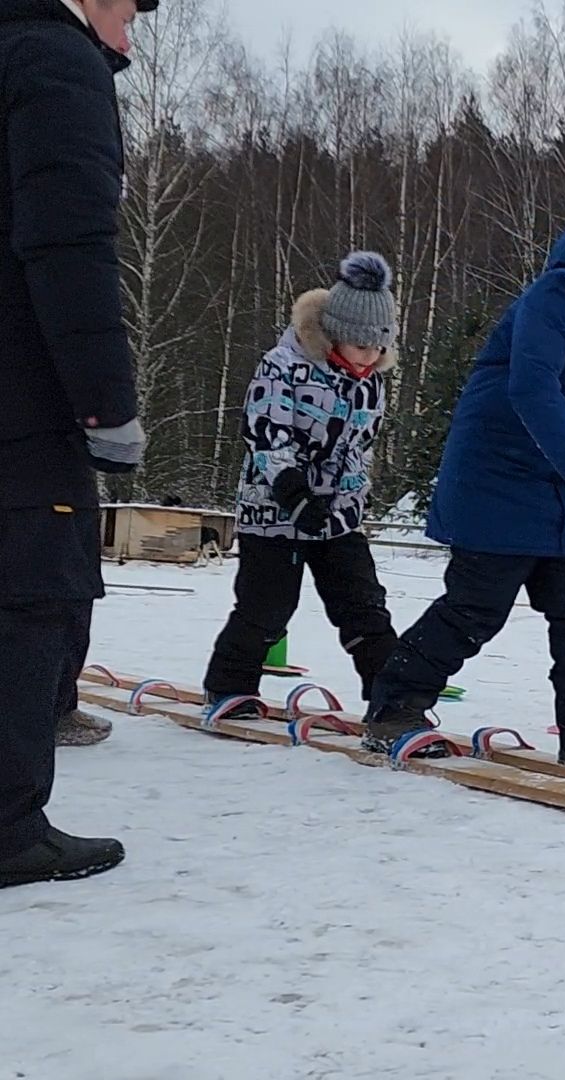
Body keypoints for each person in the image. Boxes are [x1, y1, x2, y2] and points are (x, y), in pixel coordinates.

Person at [358, 207, 565, 777]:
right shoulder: (559, 294)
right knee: (476, 608)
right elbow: (531, 389)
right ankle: (394, 709)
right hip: (502, 478)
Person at [0, 0, 160, 889]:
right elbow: (68, 246)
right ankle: (9, 825)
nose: (129, 42)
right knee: (30, 598)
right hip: (23, 398)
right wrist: (105, 403)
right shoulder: (56, 64)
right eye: (131, 14)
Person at [199, 252, 403, 718]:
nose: (369, 357)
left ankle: (394, 699)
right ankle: (228, 686)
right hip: (273, 512)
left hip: (337, 517)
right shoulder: (283, 366)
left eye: (378, 347)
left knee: (364, 606)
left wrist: (350, 503)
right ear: (333, 333)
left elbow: (360, 448)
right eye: (359, 345)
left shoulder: (371, 383)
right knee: (266, 608)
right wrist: (295, 495)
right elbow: (266, 436)